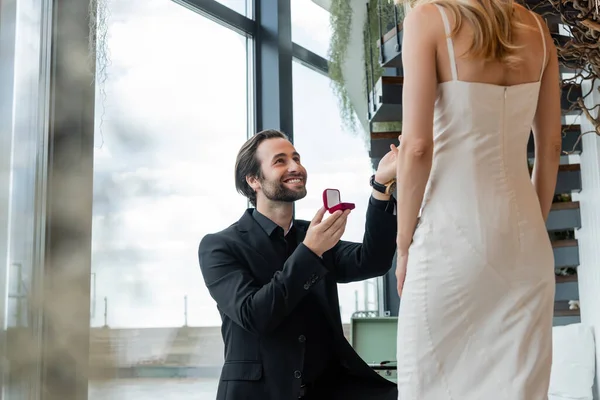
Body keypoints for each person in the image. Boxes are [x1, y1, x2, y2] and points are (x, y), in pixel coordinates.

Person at [393, 0, 562, 398]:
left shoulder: (427, 19)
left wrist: (403, 247)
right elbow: (551, 146)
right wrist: (531, 229)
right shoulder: (538, 29)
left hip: (449, 239)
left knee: (431, 384)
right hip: (525, 243)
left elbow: (416, 148)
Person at [198, 129, 400, 400]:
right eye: (280, 161)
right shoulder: (220, 246)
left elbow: (372, 261)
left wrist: (380, 187)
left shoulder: (312, 235)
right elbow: (255, 315)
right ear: (253, 180)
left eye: (296, 158)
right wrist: (310, 251)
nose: (296, 167)